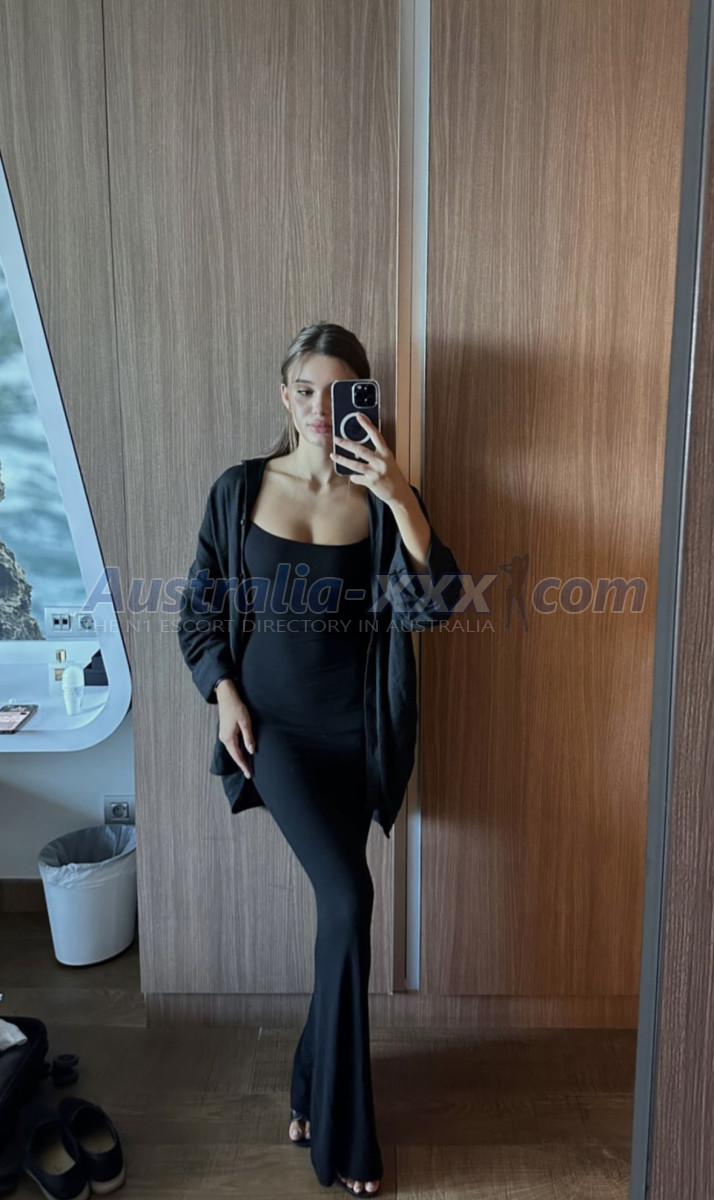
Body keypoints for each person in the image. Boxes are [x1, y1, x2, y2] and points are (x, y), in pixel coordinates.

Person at [177, 322, 464, 1196]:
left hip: (358, 736)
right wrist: (224, 694)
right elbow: (198, 613)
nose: (317, 408)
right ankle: (347, 1138)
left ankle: (309, 1081)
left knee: (339, 918)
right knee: (351, 898)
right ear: (284, 395)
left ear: (363, 401)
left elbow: (437, 604)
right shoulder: (239, 490)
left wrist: (403, 499)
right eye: (305, 390)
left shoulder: (382, 501)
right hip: (277, 737)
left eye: (339, 394)